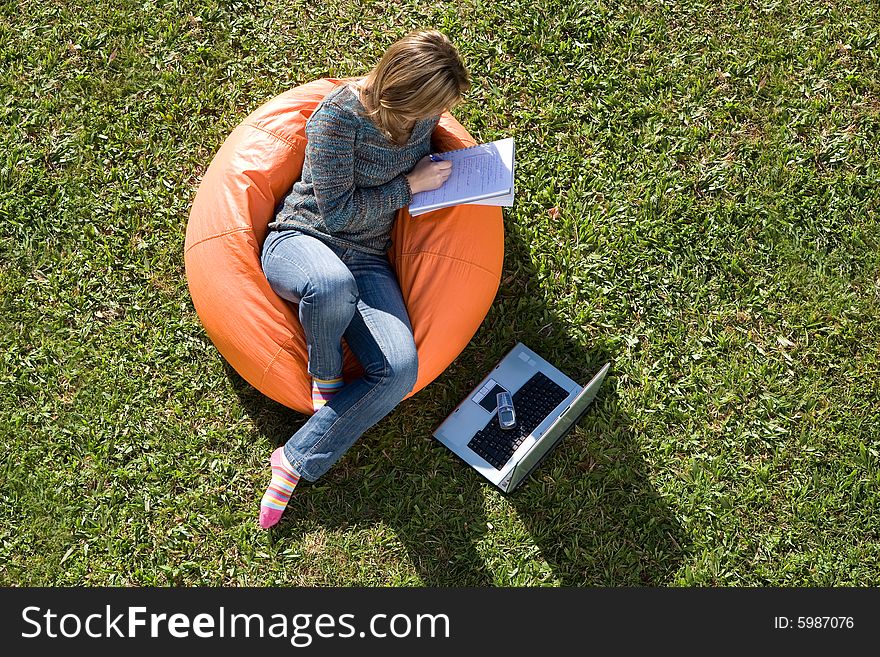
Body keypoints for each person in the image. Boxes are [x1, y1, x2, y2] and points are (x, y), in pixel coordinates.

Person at [257, 30, 470, 529]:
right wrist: (409, 185)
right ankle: (326, 373)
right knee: (330, 284)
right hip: (303, 239)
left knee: (398, 369)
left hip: (368, 258)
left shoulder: (424, 116)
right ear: (400, 96)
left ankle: (294, 458)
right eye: (426, 111)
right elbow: (337, 214)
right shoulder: (338, 118)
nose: (431, 121)